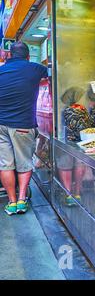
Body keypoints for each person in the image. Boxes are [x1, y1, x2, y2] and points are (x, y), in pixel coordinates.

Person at [0, 41, 48, 215]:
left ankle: (11, 203)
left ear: (9, 55)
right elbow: (52, 76)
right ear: (28, 56)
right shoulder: (34, 68)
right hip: (22, 125)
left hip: (1, 125)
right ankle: (21, 200)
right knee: (24, 163)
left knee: (5, 165)